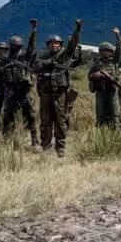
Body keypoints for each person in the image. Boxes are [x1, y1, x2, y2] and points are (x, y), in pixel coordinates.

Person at [33, 19, 83, 155]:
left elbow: (73, 44)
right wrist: (47, 63)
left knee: (61, 121)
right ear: (48, 45)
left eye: (57, 43)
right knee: (45, 121)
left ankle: (60, 148)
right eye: (51, 43)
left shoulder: (65, 56)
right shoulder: (42, 57)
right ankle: (45, 146)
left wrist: (77, 29)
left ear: (60, 45)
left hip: (60, 94)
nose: (54, 45)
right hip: (45, 95)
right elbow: (34, 67)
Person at [0, 20, 40, 146]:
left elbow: (31, 47)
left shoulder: (24, 57)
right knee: (7, 116)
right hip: (10, 91)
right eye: (13, 46)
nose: (15, 49)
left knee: (30, 115)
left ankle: (34, 140)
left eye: (17, 47)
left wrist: (34, 31)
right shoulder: (5, 59)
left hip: (24, 90)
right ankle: (7, 140)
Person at [88, 28, 121, 129]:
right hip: (100, 93)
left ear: (112, 52)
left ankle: (115, 138)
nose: (105, 52)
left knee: (114, 116)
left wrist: (117, 35)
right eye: (103, 50)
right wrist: (95, 75)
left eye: (108, 50)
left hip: (112, 92)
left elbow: (120, 49)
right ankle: (100, 138)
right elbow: (89, 76)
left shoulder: (115, 62)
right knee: (100, 117)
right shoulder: (96, 64)